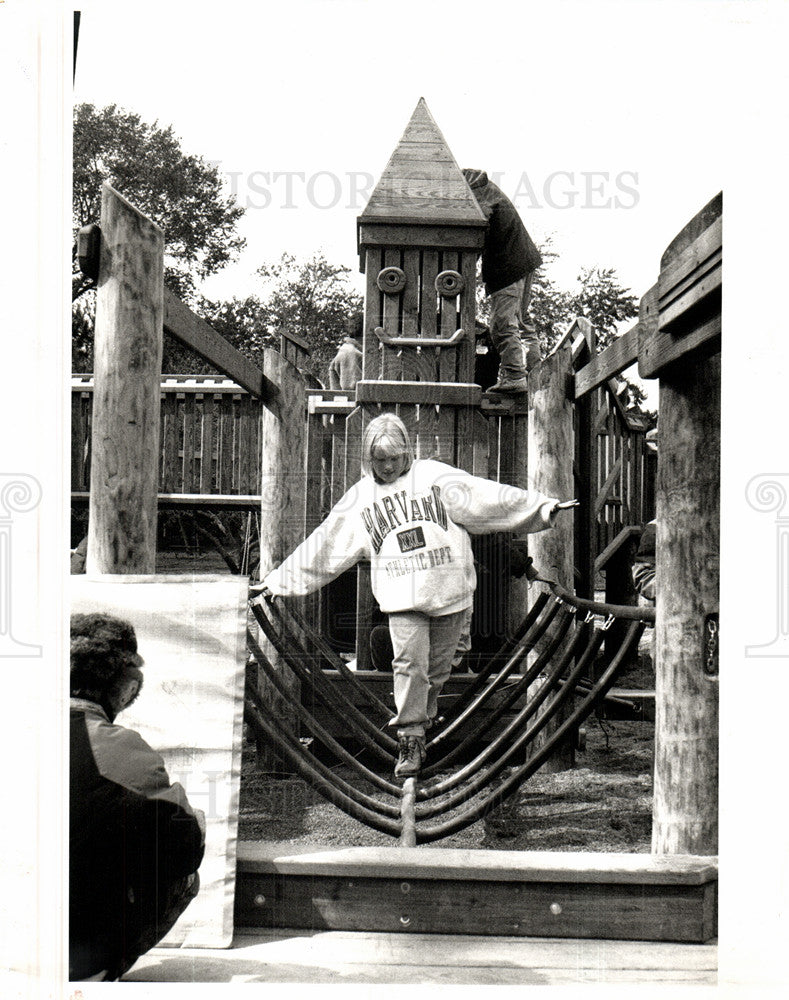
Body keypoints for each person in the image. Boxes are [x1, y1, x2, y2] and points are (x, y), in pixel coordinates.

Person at [251, 413, 577, 778]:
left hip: (450, 594)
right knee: (408, 665)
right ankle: (410, 737)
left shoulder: (435, 477)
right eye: (380, 460)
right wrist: (278, 581)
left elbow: (489, 498)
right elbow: (325, 545)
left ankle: (423, 718)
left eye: (394, 458)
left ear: (407, 452)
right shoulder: (361, 499)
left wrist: (542, 507)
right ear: (367, 458)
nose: (388, 467)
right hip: (402, 599)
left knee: (437, 671)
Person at [70, 613, 205, 981]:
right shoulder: (123, 750)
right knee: (186, 835)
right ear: (127, 688)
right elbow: (185, 850)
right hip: (78, 960)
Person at [462, 169, 543, 394]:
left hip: (508, 266)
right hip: (523, 261)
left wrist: (466, 265)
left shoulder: (474, 192)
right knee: (521, 320)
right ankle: (535, 372)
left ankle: (515, 376)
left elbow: (475, 230)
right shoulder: (485, 188)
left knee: (501, 324)